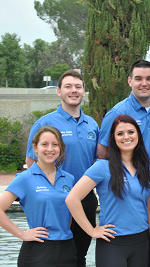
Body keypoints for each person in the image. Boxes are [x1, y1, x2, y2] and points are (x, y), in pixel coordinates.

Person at [25, 69, 98, 267]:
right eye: (68, 86)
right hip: (57, 200)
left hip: (85, 199)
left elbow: (97, 163)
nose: (73, 91)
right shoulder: (46, 122)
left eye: (78, 87)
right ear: (59, 91)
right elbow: (31, 164)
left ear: (84, 91)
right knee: (53, 255)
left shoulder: (92, 124)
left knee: (79, 255)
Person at [66, 115, 150, 267]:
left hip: (141, 242)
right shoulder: (102, 167)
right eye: (120, 134)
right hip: (112, 245)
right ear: (113, 138)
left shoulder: (146, 168)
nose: (126, 137)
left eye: (131, 132)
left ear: (138, 135)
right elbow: (72, 199)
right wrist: (91, 231)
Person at [97, 60, 150, 241]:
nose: (144, 83)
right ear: (130, 81)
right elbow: (102, 153)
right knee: (129, 240)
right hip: (128, 186)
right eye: (138, 79)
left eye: (149, 78)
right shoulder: (117, 113)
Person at [0, 126, 76, 266]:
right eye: (44, 144)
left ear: (60, 148)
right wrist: (22, 234)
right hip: (38, 250)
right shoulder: (25, 178)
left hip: (67, 249)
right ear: (35, 148)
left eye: (55, 144)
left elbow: (69, 215)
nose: (50, 149)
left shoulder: (69, 179)